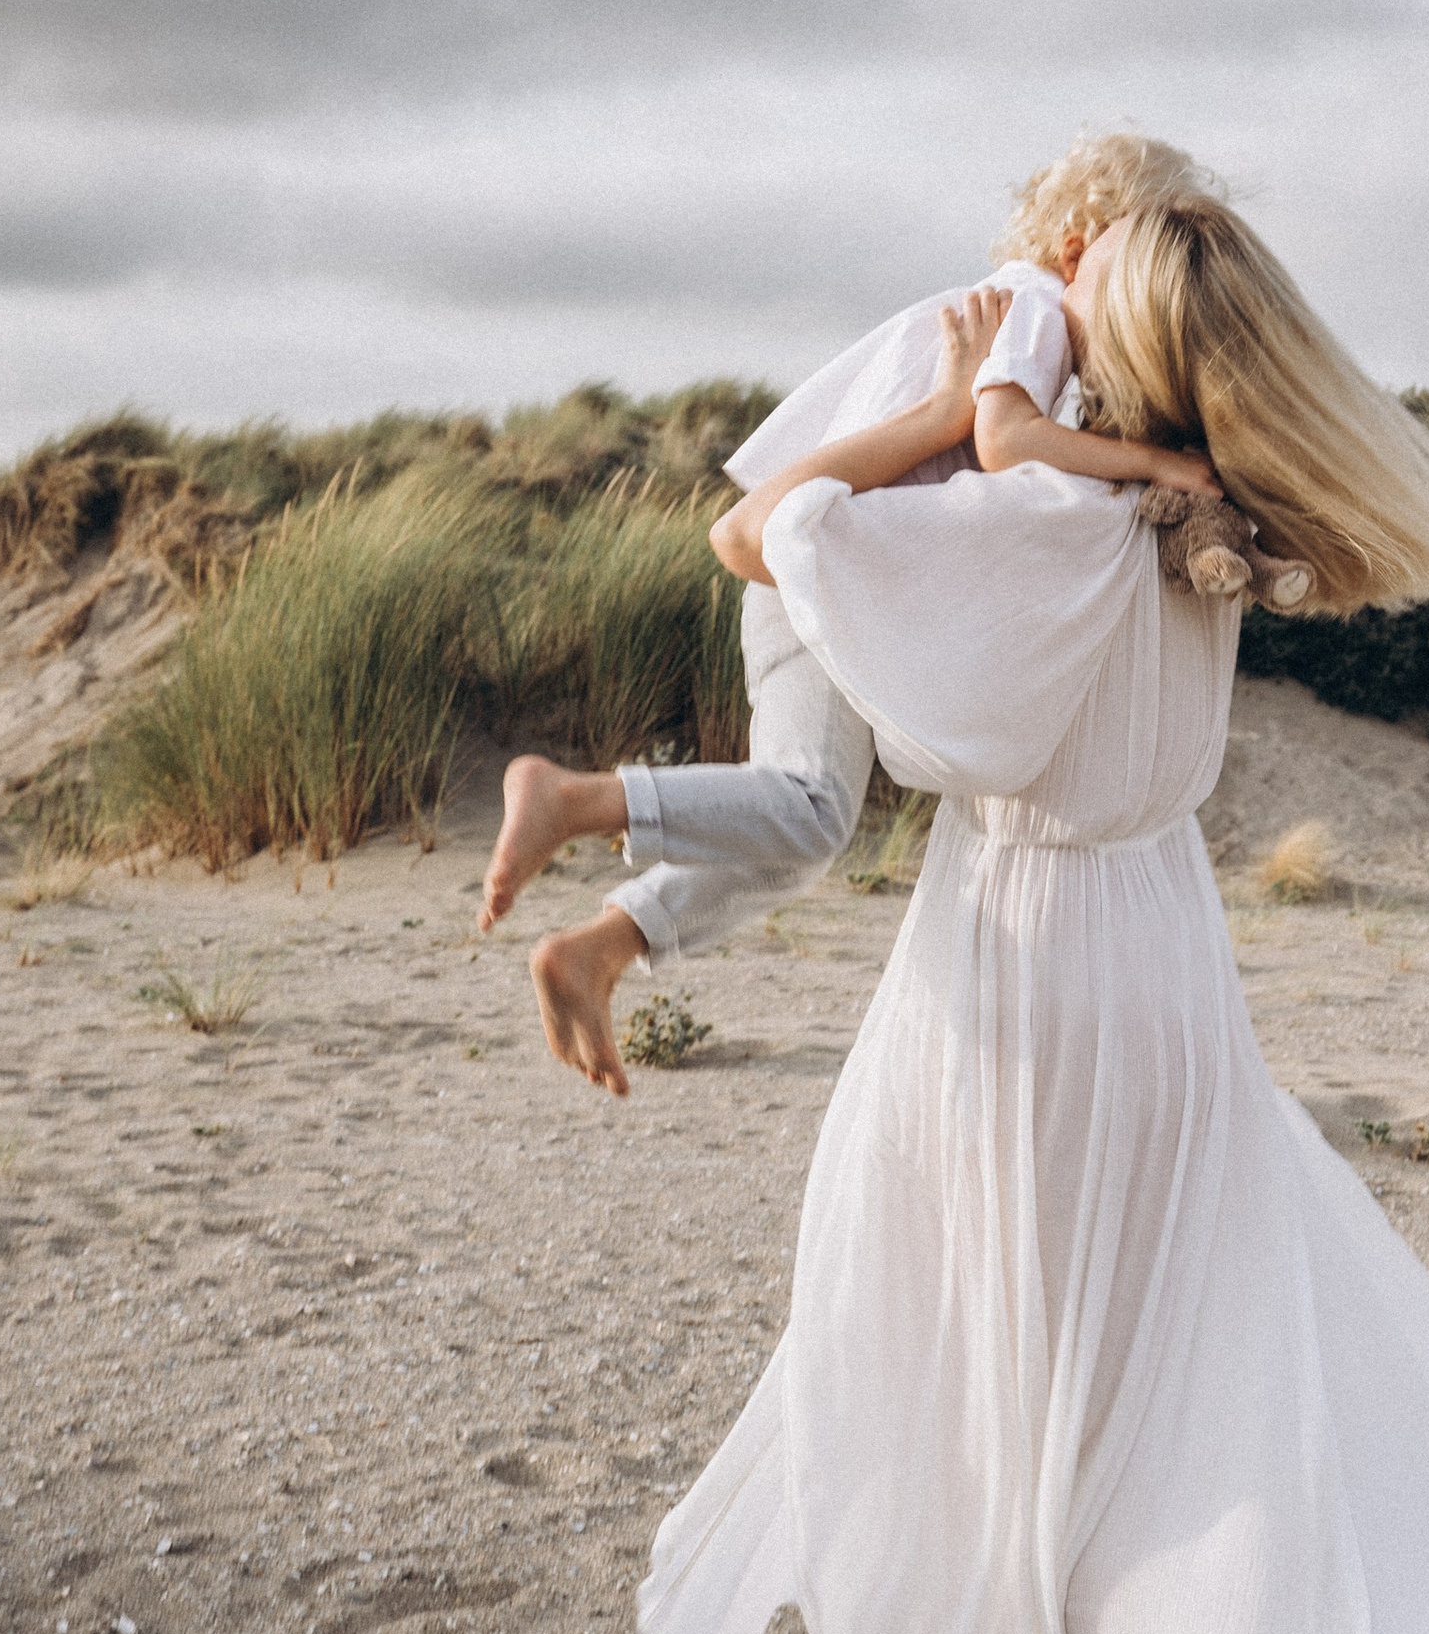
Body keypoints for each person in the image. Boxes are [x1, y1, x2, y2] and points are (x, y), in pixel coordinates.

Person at [637, 189, 1429, 1634]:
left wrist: (947, 405)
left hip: (1024, 955)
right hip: (1172, 948)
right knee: (1162, 1340)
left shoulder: (1051, 524)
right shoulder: (1228, 515)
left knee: (997, 1342)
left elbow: (759, 533)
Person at [476, 132, 1219, 1093]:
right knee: (811, 807)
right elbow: (1002, 443)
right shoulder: (1030, 306)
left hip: (831, 573)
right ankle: (578, 799)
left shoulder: (1008, 311)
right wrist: (1158, 465)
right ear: (1083, 247)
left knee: (794, 835)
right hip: (815, 574)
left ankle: (599, 948)